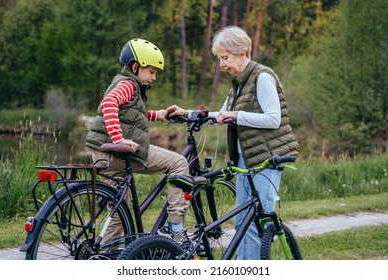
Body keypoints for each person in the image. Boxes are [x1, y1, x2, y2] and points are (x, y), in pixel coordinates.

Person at [166, 26, 300, 259]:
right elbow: (220, 114)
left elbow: (273, 118)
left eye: (224, 58)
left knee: (259, 223)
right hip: (244, 162)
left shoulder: (263, 77)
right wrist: (186, 113)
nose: (221, 65)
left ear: (242, 52)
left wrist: (236, 116)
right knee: (242, 223)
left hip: (266, 161)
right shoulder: (237, 84)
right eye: (220, 59)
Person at [85, 38, 190, 244]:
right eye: (151, 71)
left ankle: (104, 256)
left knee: (118, 213)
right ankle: (175, 228)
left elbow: (130, 113)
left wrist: (156, 114)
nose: (154, 77)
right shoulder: (128, 85)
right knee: (179, 163)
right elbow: (109, 104)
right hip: (117, 153)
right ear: (135, 67)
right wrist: (120, 139)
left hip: (102, 155)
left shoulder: (125, 83)